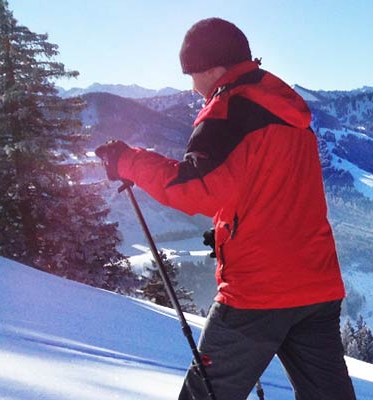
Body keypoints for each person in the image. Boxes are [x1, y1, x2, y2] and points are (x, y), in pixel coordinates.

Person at [95, 18, 356, 400]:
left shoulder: (228, 109)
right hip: (317, 284)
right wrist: (228, 227)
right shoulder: (285, 108)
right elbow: (267, 187)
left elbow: (195, 189)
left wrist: (127, 161)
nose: (193, 86)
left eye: (193, 74)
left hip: (258, 293)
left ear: (213, 68)